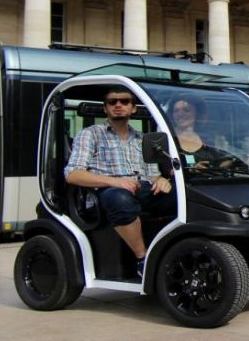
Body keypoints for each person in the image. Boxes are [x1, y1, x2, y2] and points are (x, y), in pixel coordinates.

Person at [64, 87, 174, 278]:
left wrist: (162, 181)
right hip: (105, 192)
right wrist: (114, 182)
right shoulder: (91, 134)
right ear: (105, 108)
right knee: (120, 199)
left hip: (142, 189)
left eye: (124, 101)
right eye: (112, 102)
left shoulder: (142, 139)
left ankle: (176, 251)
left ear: (133, 108)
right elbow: (73, 174)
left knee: (181, 197)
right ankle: (143, 260)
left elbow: (152, 175)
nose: (118, 105)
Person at [168, 95, 235, 169]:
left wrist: (230, 162)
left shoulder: (209, 137)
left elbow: (223, 161)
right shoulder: (167, 137)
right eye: (176, 111)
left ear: (197, 114)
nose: (180, 114)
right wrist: (192, 170)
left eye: (186, 110)